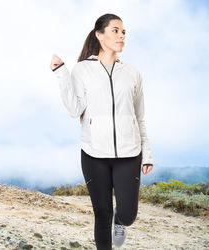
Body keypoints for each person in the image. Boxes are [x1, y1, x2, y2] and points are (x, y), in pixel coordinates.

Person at [50, 13, 154, 250]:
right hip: (93, 153)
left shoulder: (132, 74)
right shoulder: (82, 70)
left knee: (127, 214)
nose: (121, 36)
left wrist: (147, 154)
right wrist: (61, 73)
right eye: (115, 30)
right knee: (102, 213)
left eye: (124, 31)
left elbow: (140, 118)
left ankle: (121, 220)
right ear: (100, 35)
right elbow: (75, 109)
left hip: (129, 153)